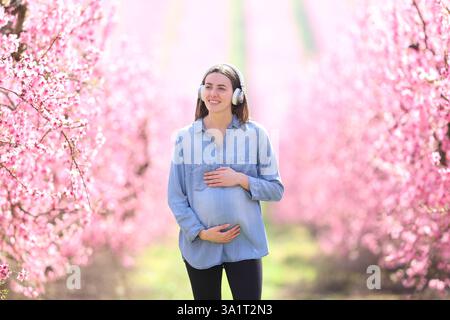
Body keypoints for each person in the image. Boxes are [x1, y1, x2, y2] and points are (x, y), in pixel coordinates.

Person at [167, 63, 284, 300]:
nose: (213, 93)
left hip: (245, 242)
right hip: (200, 246)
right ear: (201, 92)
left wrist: (240, 179)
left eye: (221, 88)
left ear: (237, 95)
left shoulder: (257, 135)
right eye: (208, 87)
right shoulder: (184, 138)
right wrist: (201, 233)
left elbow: (275, 189)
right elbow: (175, 196)